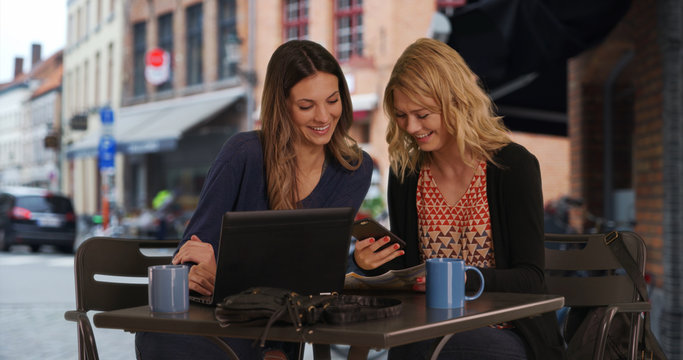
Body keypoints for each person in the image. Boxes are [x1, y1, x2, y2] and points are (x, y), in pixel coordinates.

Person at [135, 39, 373, 360]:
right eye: (306, 106)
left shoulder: (353, 169)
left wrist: (358, 263)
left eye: (332, 100)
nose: (323, 116)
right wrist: (200, 269)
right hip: (209, 323)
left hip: (277, 328)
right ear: (282, 106)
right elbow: (191, 252)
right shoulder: (243, 153)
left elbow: (316, 277)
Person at [353, 38, 565, 359]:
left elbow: (531, 278)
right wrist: (369, 265)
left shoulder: (512, 166)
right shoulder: (407, 175)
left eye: (422, 114)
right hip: (426, 330)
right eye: (401, 115)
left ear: (456, 101)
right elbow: (407, 273)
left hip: (507, 331)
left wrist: (465, 279)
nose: (411, 127)